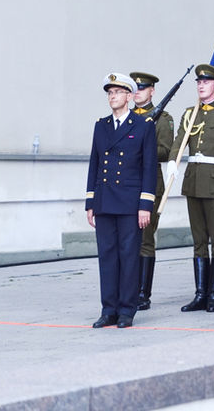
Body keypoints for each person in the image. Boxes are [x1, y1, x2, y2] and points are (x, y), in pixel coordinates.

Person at [85, 73, 157, 329]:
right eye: (109, 93)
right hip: (105, 200)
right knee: (107, 256)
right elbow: (94, 163)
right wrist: (90, 202)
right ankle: (109, 309)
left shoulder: (143, 125)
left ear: (129, 96)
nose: (112, 97)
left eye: (117, 92)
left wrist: (145, 204)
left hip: (129, 202)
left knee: (129, 256)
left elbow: (148, 168)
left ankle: (127, 309)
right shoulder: (100, 125)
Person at [168, 64, 214, 313]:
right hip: (194, 182)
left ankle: (213, 295)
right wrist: (172, 161)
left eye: (206, 82)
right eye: (198, 82)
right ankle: (200, 293)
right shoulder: (190, 114)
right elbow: (179, 141)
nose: (201, 85)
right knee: (199, 242)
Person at [128, 72, 175, 312]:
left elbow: (166, 152)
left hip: (149, 183)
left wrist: (141, 147)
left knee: (145, 240)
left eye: (142, 88)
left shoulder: (163, 118)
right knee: (128, 240)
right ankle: (128, 289)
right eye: (134, 88)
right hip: (125, 184)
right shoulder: (125, 116)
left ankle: (143, 293)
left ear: (152, 91)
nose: (137, 92)